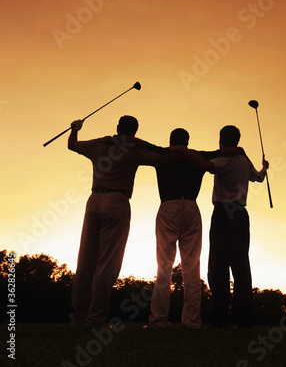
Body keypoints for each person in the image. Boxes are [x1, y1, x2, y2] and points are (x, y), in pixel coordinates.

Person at [68, 115, 161, 328]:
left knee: (85, 262)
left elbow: (72, 144)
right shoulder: (134, 150)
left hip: (94, 201)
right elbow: (159, 156)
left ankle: (78, 317)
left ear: (117, 127)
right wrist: (138, 142)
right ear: (135, 131)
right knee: (107, 264)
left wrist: (75, 128)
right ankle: (95, 318)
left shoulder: (99, 144)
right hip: (117, 202)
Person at [171, 125, 269, 328]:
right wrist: (264, 167)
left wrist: (183, 151)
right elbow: (258, 178)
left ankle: (220, 319)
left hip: (223, 214)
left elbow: (206, 166)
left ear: (220, 141)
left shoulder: (224, 160)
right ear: (238, 140)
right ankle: (244, 320)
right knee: (241, 266)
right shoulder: (244, 159)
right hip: (241, 215)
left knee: (218, 266)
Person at [147, 128, 220, 329]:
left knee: (164, 265)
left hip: (169, 206)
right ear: (187, 142)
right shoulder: (197, 156)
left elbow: (142, 145)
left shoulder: (163, 154)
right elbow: (222, 152)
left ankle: (159, 320)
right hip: (191, 206)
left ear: (171, 141)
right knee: (192, 266)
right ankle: (192, 322)